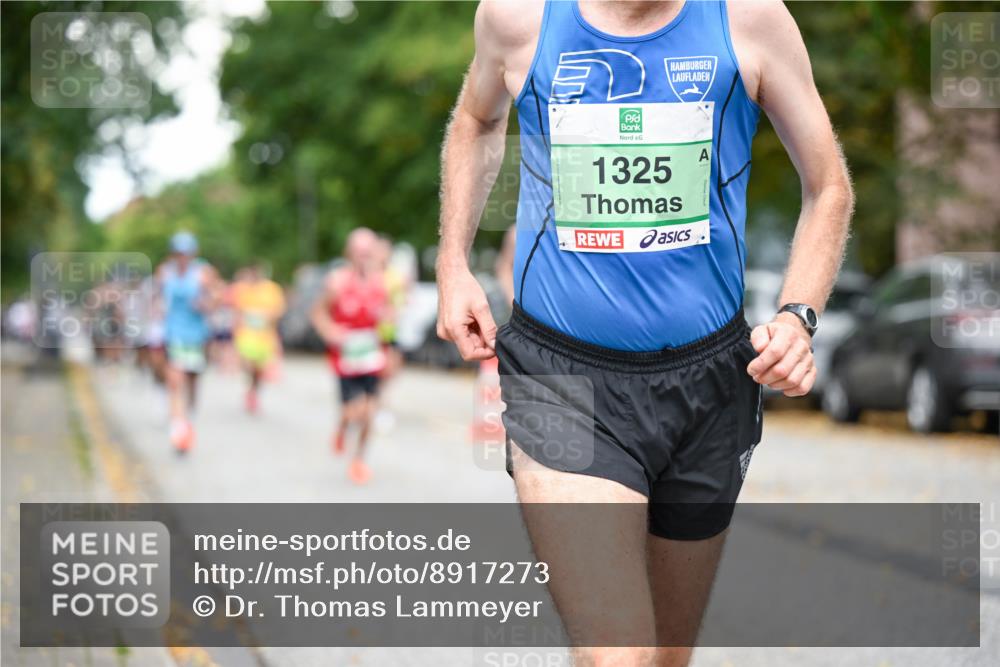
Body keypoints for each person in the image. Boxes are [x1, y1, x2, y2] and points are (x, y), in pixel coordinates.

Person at [436, 1, 854, 664]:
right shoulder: (518, 17)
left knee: (664, 655)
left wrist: (796, 316)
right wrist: (452, 260)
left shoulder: (750, 19)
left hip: (710, 382)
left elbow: (828, 184)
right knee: (618, 654)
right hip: (560, 374)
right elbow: (477, 119)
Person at [311, 228, 390, 485]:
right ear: (350, 253)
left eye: (369, 252)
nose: (364, 257)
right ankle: (342, 427)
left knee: (368, 413)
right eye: (360, 252)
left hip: (370, 357)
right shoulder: (337, 281)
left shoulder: (381, 282)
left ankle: (359, 460)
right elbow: (318, 313)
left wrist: (387, 325)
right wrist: (330, 331)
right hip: (345, 360)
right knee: (352, 413)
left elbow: (387, 316)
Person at [157, 231, 221, 453]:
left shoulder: (203, 272)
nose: (182, 257)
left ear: (193, 253)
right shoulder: (165, 273)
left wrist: (205, 302)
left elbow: (216, 301)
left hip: (197, 336)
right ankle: (178, 428)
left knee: (192, 382)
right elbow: (158, 300)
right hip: (174, 333)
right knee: (175, 380)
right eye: (178, 253)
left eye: (186, 253)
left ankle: (188, 417)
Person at [232, 262, 286, 414]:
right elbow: (238, 312)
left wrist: (269, 318)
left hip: (265, 336)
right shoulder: (243, 289)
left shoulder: (272, 289)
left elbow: (279, 311)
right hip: (247, 335)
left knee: (259, 369)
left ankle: (253, 391)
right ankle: (251, 388)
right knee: (247, 364)